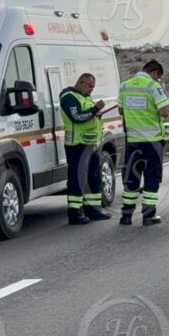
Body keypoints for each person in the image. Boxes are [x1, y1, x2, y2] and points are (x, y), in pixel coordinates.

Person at [118, 60, 169, 226]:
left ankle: (126, 215)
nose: (158, 80)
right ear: (155, 73)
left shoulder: (125, 86)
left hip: (133, 141)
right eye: (158, 77)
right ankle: (149, 216)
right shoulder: (153, 86)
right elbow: (163, 112)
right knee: (151, 178)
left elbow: (121, 110)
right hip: (152, 141)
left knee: (131, 178)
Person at [59, 73, 111, 225]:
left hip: (90, 144)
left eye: (93, 87)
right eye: (89, 86)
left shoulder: (85, 96)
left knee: (93, 177)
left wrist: (96, 114)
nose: (91, 90)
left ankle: (94, 210)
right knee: (78, 179)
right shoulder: (69, 97)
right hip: (77, 145)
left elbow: (88, 115)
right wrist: (95, 109)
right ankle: (75, 213)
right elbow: (78, 117)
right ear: (81, 82)